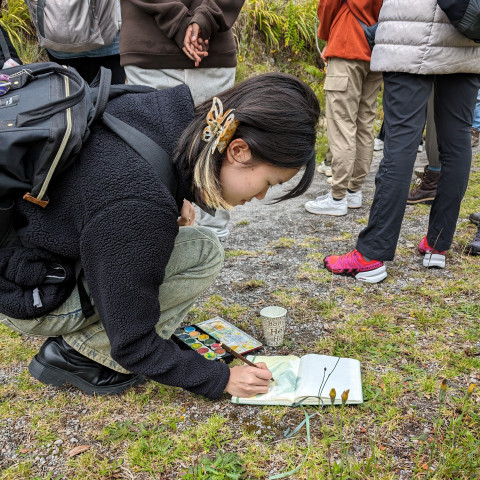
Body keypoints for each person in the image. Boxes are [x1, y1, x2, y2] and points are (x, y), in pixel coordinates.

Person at [0, 73, 320, 399]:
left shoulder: (158, 111)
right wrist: (220, 378)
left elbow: (99, 175)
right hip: (29, 292)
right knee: (203, 250)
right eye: (268, 182)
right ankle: (80, 353)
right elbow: (133, 342)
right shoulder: (138, 203)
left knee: (192, 246)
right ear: (238, 150)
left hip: (25, 251)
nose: (261, 196)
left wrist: (173, 196)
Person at [323, 0, 480, 283]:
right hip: (466, 38)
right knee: (457, 141)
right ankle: (438, 244)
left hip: (409, 35)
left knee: (400, 142)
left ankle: (371, 255)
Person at [119, 0, 245, 239]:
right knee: (213, 146)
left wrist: (180, 22)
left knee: (150, 148)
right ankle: (211, 236)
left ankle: (155, 233)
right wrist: (205, 18)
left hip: (149, 45)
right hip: (212, 48)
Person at [304, 0, 383, 217]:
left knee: (342, 124)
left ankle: (338, 197)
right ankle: (353, 191)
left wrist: (330, 34)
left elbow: (328, 5)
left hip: (347, 43)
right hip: (375, 48)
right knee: (364, 125)